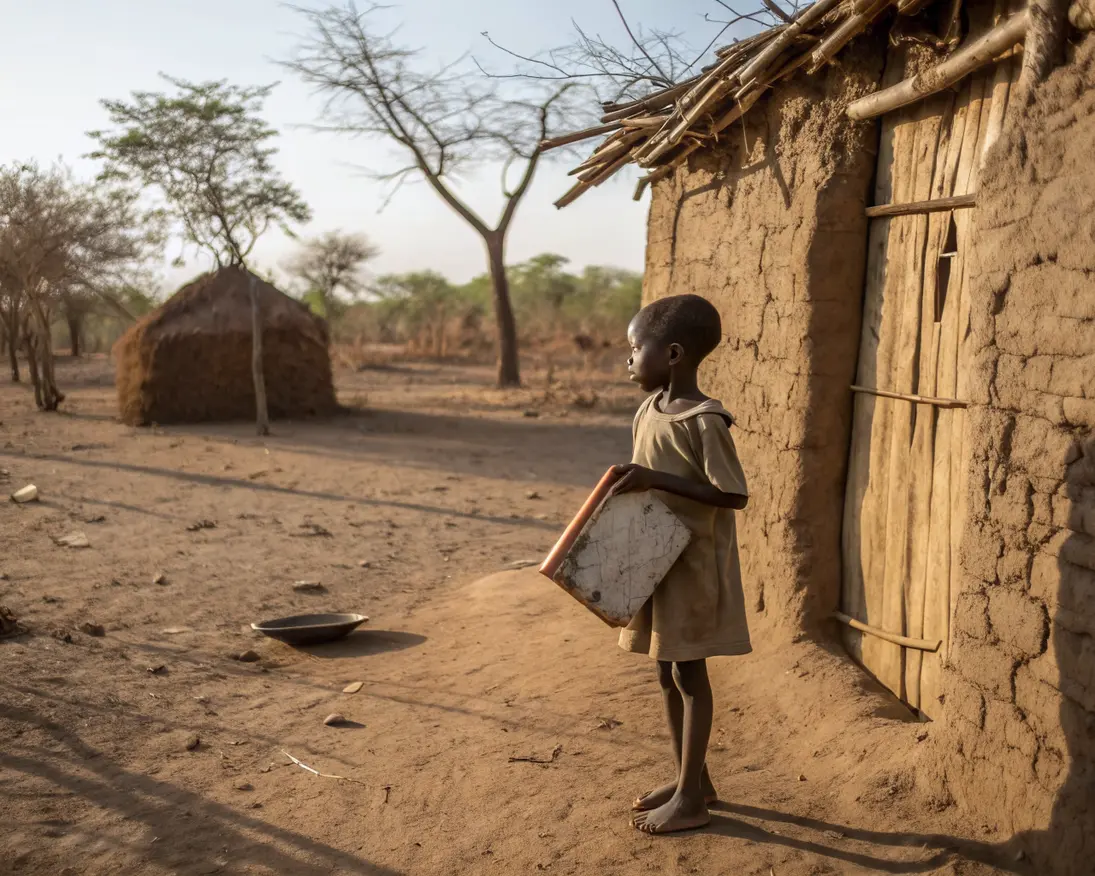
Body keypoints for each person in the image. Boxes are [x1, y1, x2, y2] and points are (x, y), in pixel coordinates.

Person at [610, 293, 750, 835]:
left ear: (671, 353)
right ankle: (693, 779)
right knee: (665, 672)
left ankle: (691, 799)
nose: (627, 359)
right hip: (655, 562)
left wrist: (655, 479)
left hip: (691, 568)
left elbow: (732, 495)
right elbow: (647, 477)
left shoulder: (704, 420)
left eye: (634, 348)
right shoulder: (648, 409)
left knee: (690, 675)